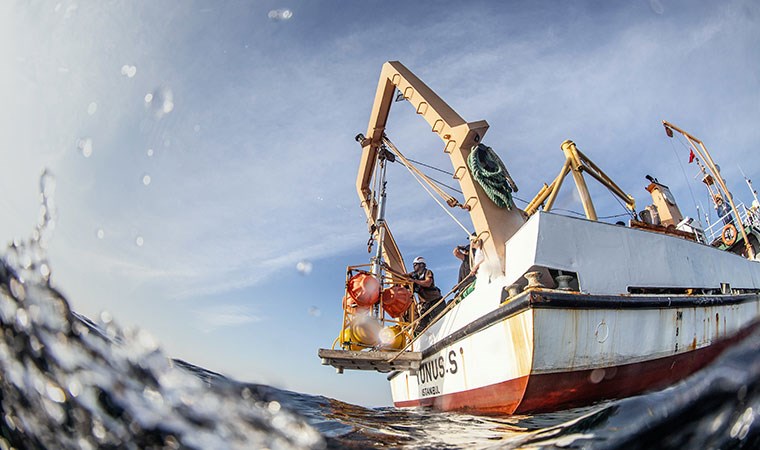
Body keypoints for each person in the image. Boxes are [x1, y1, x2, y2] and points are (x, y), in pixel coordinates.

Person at [407, 256, 445, 331]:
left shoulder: (427, 272)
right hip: (425, 303)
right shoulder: (414, 275)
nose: (414, 267)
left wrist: (414, 281)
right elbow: (402, 275)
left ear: (421, 265)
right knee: (422, 325)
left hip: (435, 300)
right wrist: (389, 269)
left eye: (415, 264)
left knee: (441, 318)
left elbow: (427, 283)